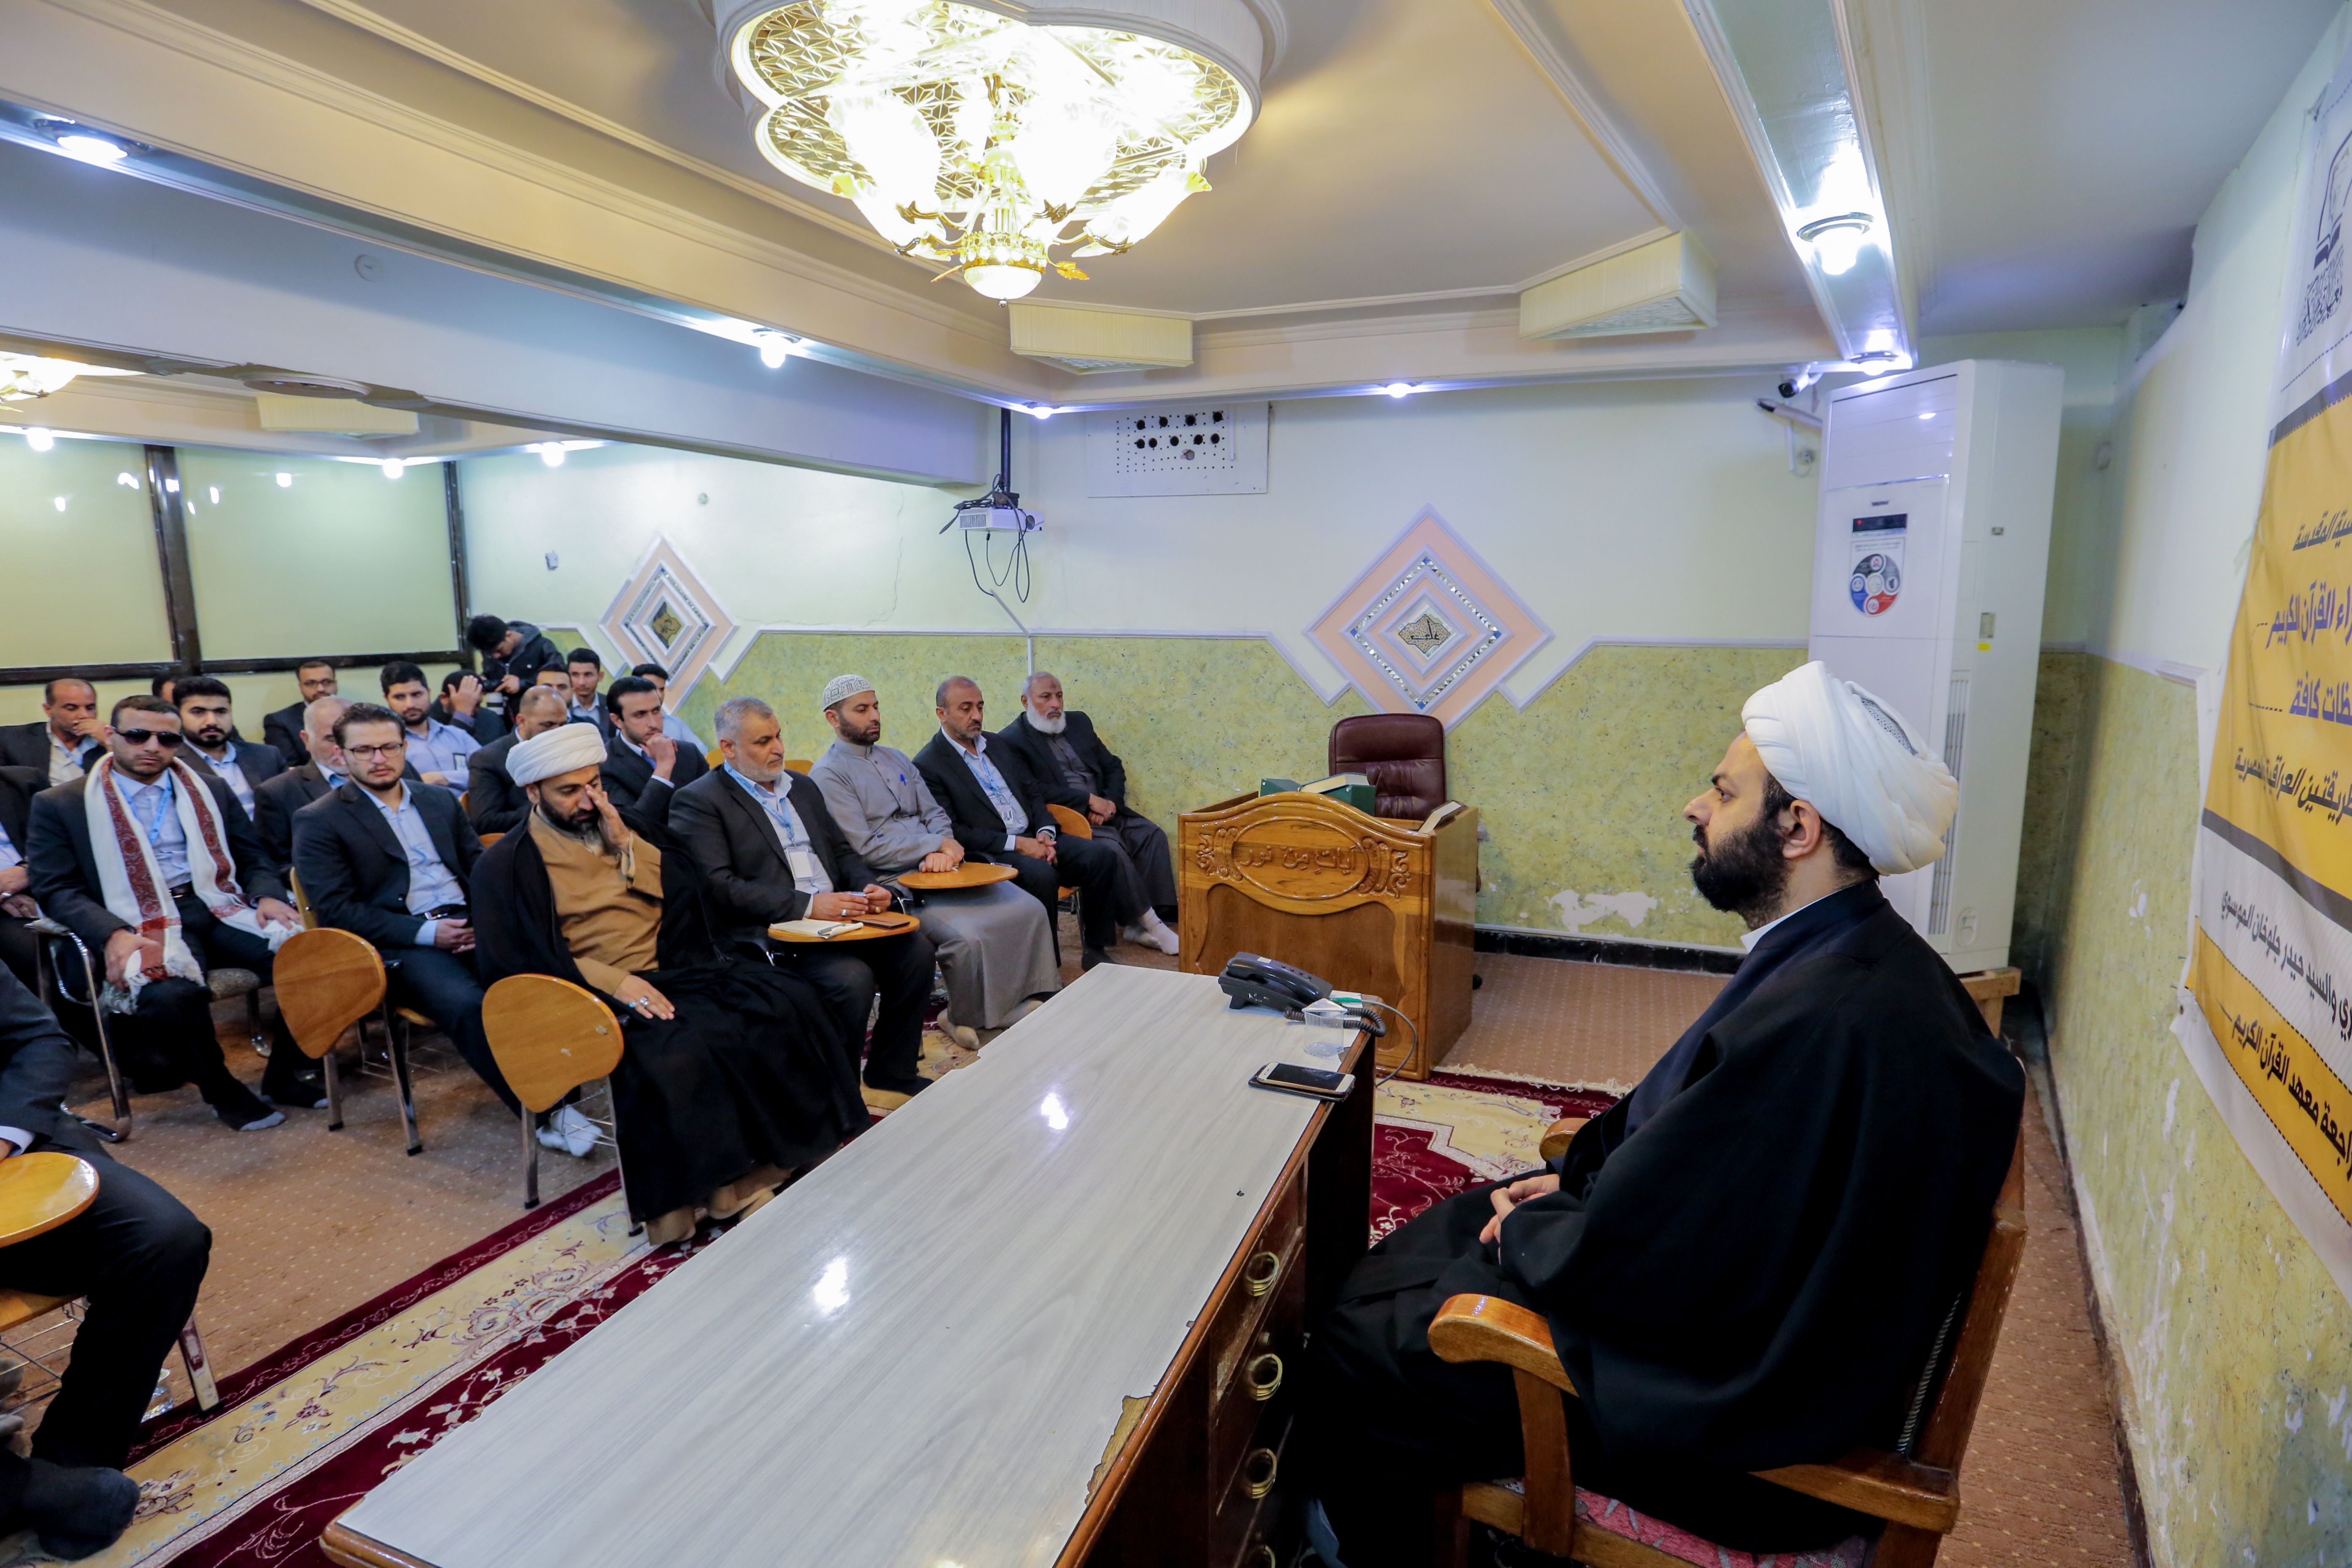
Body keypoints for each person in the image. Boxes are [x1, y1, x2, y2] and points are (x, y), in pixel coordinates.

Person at [1293, 663, 2026, 1565]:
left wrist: (1544, 1229)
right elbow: (1707, 1171)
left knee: (1362, 1341)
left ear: (1797, 827)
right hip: (1752, 1325)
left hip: (1739, 1434)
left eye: (1723, 791)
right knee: (1442, 1237)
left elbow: (1670, 1259)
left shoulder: (1827, 1018)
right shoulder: (1853, 947)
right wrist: (1573, 1187)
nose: (1695, 806)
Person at [470, 725, 866, 1244]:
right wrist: (616, 983)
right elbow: (515, 961)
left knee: (786, 1001)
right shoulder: (505, 865)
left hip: (677, 967)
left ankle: (779, 1157)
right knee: (680, 1051)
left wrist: (628, 846)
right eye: (569, 791)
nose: (589, 801)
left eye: (595, 785)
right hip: (587, 991)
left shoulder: (628, 825)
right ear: (532, 792)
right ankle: (714, 1192)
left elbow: (691, 890)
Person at [289, 704, 589, 1152]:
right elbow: (337, 911)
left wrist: (487, 920)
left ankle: (571, 1089)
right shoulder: (319, 818)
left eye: (389, 746)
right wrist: (431, 935)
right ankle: (548, 1113)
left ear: (404, 747)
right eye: (364, 750)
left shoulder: (437, 800)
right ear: (342, 754)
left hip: (471, 921)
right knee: (470, 1004)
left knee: (544, 976)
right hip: (404, 942)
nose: (379, 759)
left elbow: (480, 868)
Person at [0, 965, 211, 1560]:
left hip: (16, 1152)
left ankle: (74, 1461)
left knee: (165, 1240)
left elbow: (37, 1038)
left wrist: (4, 1135)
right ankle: (37, 1494)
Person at [24, 696, 314, 1128]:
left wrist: (269, 895)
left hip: (216, 903)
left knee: (315, 957)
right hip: (134, 918)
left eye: (167, 738)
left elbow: (253, 856)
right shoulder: (62, 803)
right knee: (169, 995)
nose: (152, 746)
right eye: (138, 735)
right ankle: (221, 1089)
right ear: (111, 736)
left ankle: (284, 1075)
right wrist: (112, 933)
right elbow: (57, 888)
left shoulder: (210, 789)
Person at [673, 695, 938, 1099]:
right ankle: (838, 1096)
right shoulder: (701, 801)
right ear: (729, 747)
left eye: (778, 736)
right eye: (763, 742)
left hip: (840, 916)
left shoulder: (803, 787)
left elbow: (843, 852)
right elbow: (719, 886)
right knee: (850, 979)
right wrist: (810, 906)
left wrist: (871, 887)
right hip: (779, 930)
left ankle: (892, 1070)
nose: (779, 748)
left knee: (915, 952)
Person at [808, 675, 1057, 1043]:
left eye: (875, 707)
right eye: (862, 710)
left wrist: (946, 846)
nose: (874, 716)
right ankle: (961, 1016)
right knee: (968, 936)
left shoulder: (896, 758)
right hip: (896, 883)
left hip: (943, 867)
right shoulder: (828, 775)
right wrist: (933, 847)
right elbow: (865, 848)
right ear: (833, 718)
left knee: (1028, 909)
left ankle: (1014, 1001)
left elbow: (936, 813)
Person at [914, 677, 1140, 971]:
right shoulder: (929, 764)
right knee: (1041, 875)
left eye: (980, 707)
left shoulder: (996, 744)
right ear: (942, 714)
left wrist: (1045, 832)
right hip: (993, 851)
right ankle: (1046, 968)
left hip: (1035, 835)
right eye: (966, 709)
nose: (977, 716)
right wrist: (1020, 845)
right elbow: (955, 831)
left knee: (1101, 857)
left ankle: (1095, 949)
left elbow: (1032, 792)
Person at [993, 671, 1179, 955]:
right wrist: (1088, 801)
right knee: (1112, 850)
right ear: (1026, 701)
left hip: (1106, 811)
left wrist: (1110, 803)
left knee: (1150, 835)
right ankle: (1151, 924)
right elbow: (1033, 790)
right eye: (1046, 697)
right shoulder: (1011, 740)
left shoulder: (1079, 722)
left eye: (1059, 696)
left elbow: (1112, 766)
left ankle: (1143, 922)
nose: (1056, 704)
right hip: (1069, 821)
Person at [173, 675, 285, 819]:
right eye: (198, 712)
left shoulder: (267, 756)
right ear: (178, 716)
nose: (212, 722)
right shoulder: (173, 763)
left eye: (221, 712)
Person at [600, 676, 708, 822]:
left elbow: (714, 802)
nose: (653, 724)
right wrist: (663, 768)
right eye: (640, 715)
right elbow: (636, 825)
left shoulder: (689, 752)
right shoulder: (605, 766)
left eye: (656, 711)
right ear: (617, 721)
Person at [467, 686, 571, 836]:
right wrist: (547, 808)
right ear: (522, 721)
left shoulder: (567, 749)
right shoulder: (489, 760)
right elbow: (486, 822)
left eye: (563, 725)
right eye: (548, 725)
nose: (557, 733)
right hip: (524, 840)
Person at [381, 661, 480, 788]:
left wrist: (441, 778)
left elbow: (490, 773)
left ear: (428, 693)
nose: (410, 704)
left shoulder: (458, 736)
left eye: (417, 695)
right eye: (400, 697)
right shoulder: (386, 745)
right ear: (387, 699)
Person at [0, 680, 104, 785]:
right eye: (72, 709)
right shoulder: (11, 740)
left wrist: (109, 743)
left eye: (90, 708)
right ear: (48, 710)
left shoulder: (107, 741)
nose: (84, 715)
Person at [0, 765, 42, 991]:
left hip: (40, 889)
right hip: (8, 915)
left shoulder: (25, 783)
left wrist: (28, 871)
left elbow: (65, 846)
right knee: (28, 949)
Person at [464, 615, 563, 702]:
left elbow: (559, 677)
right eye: (490, 653)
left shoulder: (542, 646)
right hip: (502, 712)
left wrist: (522, 683)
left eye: (500, 650)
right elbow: (488, 676)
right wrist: (482, 683)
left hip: (539, 709)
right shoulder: (489, 650)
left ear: (509, 635)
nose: (495, 656)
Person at [261, 659, 337, 762]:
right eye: (311, 683)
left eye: (327, 682)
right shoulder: (280, 721)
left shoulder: (355, 714)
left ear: (335, 683)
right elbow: (287, 766)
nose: (321, 689)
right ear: (301, 687)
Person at [629, 662, 701, 746]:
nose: (659, 695)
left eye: (662, 690)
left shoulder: (676, 723)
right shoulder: (627, 729)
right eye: (652, 689)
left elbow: (701, 751)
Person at [433, 670, 508, 747]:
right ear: (444, 698)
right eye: (465, 703)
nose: (471, 710)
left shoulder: (492, 720)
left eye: (477, 704)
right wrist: (462, 717)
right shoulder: (429, 723)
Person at [563, 648, 609, 734]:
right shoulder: (562, 706)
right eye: (575, 675)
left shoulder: (611, 705)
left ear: (600, 676)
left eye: (588, 675)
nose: (582, 683)